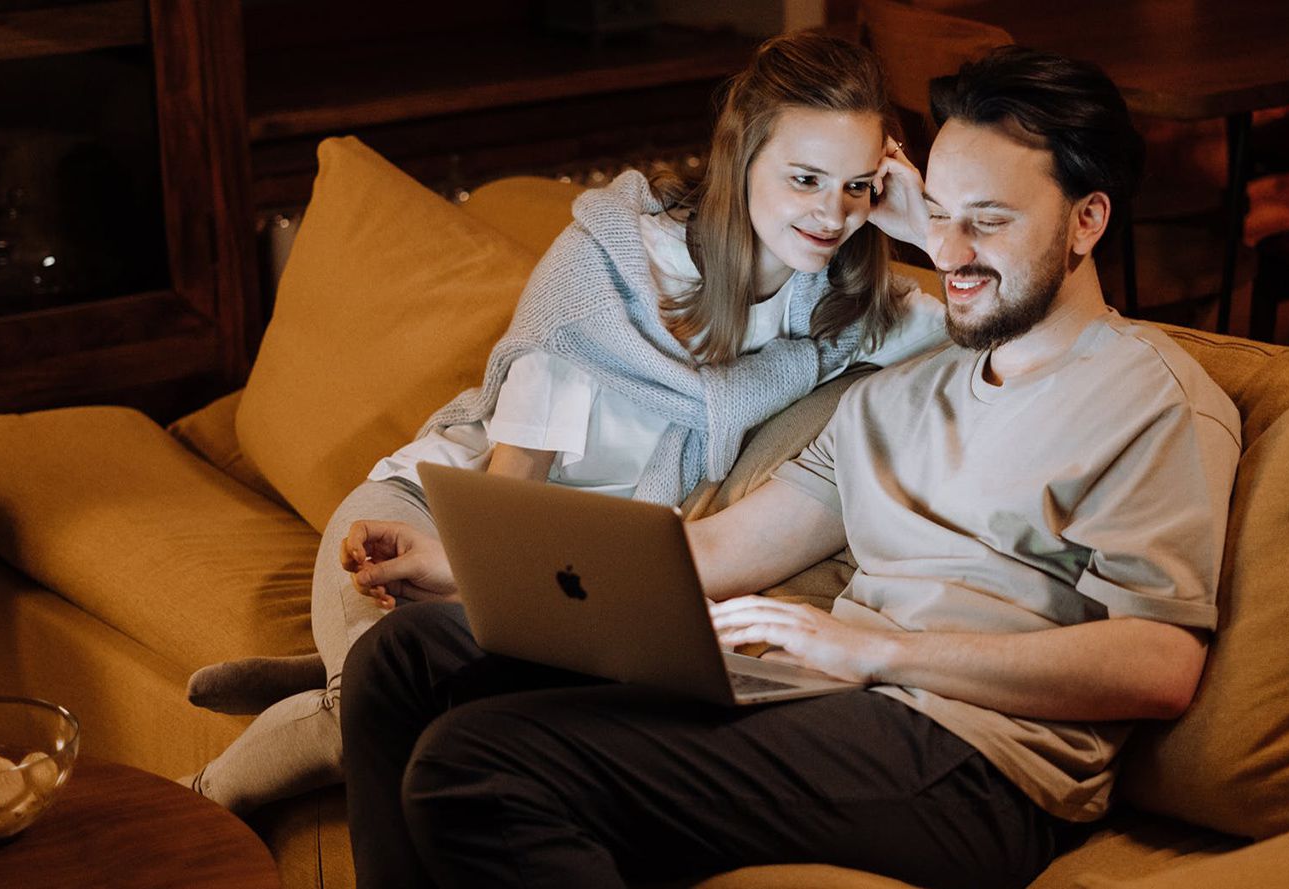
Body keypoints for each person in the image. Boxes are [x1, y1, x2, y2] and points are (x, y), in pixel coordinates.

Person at [338, 46, 1244, 889]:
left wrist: (878, 650)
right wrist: (468, 571)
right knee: (405, 658)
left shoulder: (1153, 398)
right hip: (823, 697)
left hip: (974, 760)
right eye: (939, 217)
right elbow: (722, 551)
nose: (954, 255)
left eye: (990, 221)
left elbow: (1161, 662)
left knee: (477, 764)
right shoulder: (900, 392)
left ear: (1089, 220)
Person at [181, 31, 950, 814]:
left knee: (463, 721)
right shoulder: (607, 263)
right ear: (742, 155)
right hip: (433, 521)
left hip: (568, 585)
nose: (833, 213)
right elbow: (512, 497)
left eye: (858, 187)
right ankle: (190, 804)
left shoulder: (842, 310)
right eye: (806, 178)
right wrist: (457, 593)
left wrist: (925, 231)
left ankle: (331, 669)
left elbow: (992, 329)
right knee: (383, 722)